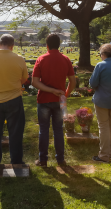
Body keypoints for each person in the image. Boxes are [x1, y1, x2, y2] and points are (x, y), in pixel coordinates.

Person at [0, 34, 29, 165]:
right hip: (14, 99)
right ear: (12, 46)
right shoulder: (19, 59)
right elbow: (24, 79)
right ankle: (16, 161)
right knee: (15, 133)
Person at [31, 34, 76, 167]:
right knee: (58, 130)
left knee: (43, 130)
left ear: (47, 45)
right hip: (58, 101)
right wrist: (65, 94)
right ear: (60, 45)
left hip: (44, 100)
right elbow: (73, 81)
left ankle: (43, 160)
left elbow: (34, 82)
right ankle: (60, 159)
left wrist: (50, 90)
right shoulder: (65, 59)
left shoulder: (41, 59)